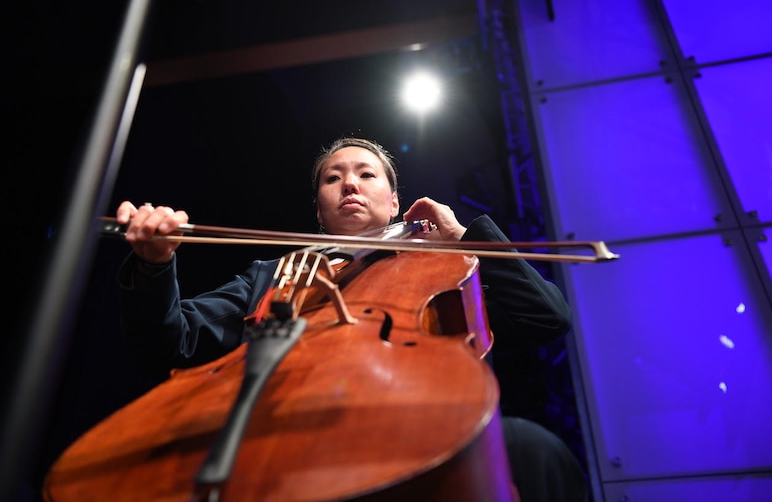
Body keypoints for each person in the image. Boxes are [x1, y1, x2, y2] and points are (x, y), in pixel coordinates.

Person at [115, 136, 587, 502]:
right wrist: (155, 264)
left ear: (395, 199)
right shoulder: (276, 273)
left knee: (529, 449)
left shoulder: (439, 264)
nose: (350, 184)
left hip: (412, 423)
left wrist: (466, 239)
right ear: (320, 209)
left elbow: (545, 316)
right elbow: (173, 342)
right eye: (332, 178)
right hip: (287, 427)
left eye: (366, 174)